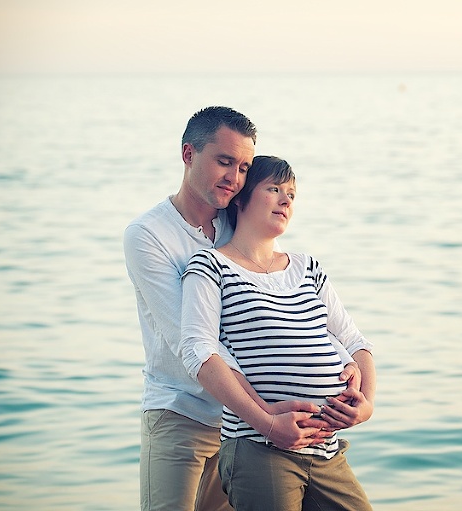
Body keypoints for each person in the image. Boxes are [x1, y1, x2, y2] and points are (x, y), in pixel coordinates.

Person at [123, 107, 365, 511]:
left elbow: (279, 309)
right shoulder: (149, 235)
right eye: (223, 161)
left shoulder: (238, 222)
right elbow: (199, 345)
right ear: (188, 154)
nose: (234, 178)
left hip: (243, 428)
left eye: (243, 167)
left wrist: (342, 361)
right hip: (182, 411)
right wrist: (265, 417)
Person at [180, 155, 376, 511]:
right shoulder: (211, 267)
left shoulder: (307, 267)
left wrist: (367, 404)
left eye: (291, 193)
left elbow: (357, 343)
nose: (286, 200)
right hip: (259, 448)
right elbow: (199, 354)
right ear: (241, 197)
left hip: (326, 451)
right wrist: (268, 424)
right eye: (273, 189)